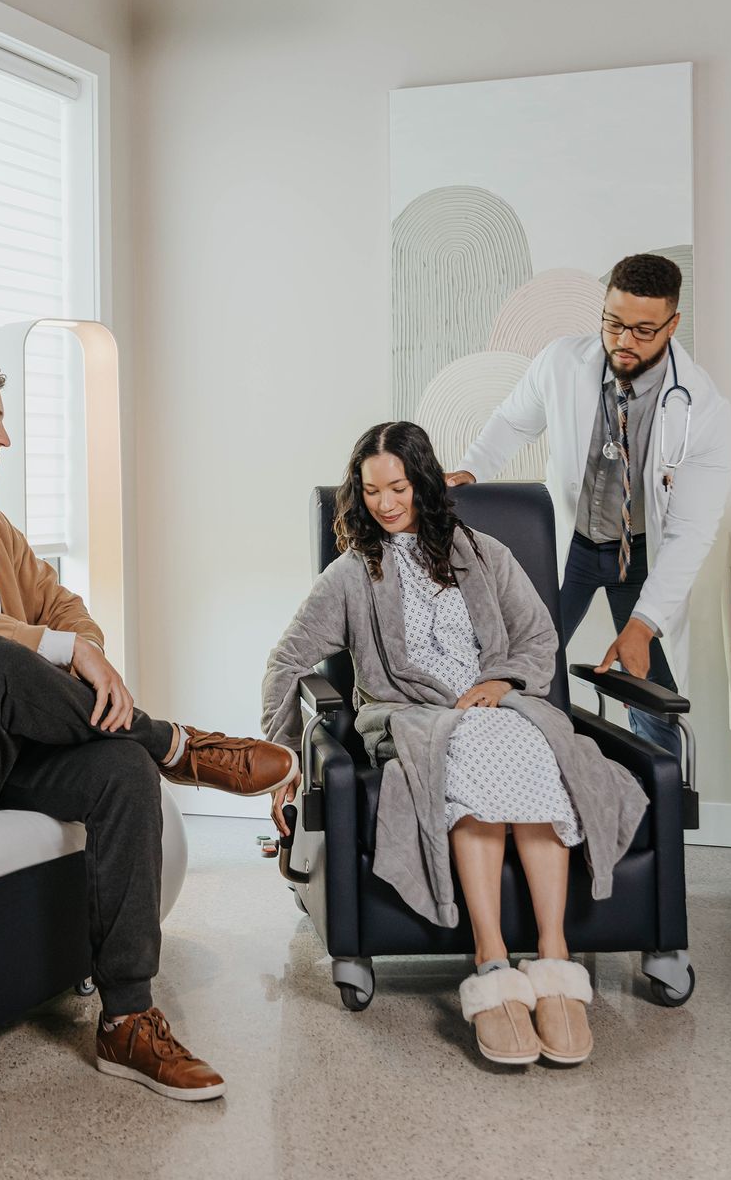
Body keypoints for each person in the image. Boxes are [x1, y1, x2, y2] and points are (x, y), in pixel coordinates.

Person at [0, 347, 299, 1102]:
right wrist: (63, 652)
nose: (5, 438)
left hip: (2, 748)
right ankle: (175, 741)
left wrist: (88, 654)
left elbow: (61, 609)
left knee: (122, 772)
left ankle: (129, 1020)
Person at [263, 422, 647, 1067]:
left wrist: (500, 682)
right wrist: (281, 759)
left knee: (534, 751)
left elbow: (537, 641)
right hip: (416, 719)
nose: (386, 503)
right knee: (474, 753)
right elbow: (287, 659)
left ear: (424, 482)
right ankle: (492, 963)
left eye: (399, 487)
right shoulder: (353, 575)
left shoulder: (483, 553)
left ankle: (553, 961)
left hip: (502, 708)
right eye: (372, 490)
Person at [446, 254, 731, 755]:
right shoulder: (562, 362)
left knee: (653, 692)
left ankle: (655, 811)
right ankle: (509, 783)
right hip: (569, 546)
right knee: (518, 664)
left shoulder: (703, 411)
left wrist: (643, 625)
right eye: (614, 323)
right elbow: (515, 421)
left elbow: (691, 530)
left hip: (643, 555)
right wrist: (473, 469)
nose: (625, 341)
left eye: (644, 330)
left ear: (673, 324)